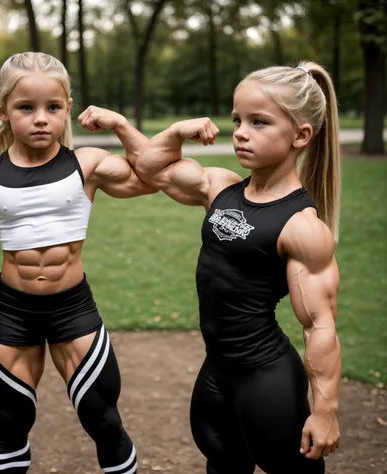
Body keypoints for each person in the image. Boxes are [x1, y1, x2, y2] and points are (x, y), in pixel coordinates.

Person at [0, 52, 153, 474]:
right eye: (27, 107)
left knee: (103, 419)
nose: (41, 118)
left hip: (73, 310)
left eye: (53, 108)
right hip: (13, 314)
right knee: (11, 422)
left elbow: (149, 175)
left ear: (68, 111)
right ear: (2, 112)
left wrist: (119, 125)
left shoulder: (88, 165)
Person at [135, 61, 341, 474]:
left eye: (259, 122)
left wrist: (324, 411)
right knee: (223, 462)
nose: (241, 132)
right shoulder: (220, 188)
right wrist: (176, 132)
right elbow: (149, 168)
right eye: (237, 119)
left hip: (265, 378)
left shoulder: (302, 228)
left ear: (301, 135)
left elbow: (320, 324)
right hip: (216, 369)